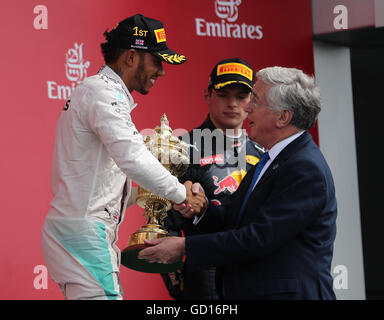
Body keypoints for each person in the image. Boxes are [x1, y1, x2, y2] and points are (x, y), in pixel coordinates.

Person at [41, 13, 204, 300]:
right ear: (131, 57)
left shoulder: (98, 92)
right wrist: (181, 194)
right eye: (157, 61)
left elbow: (105, 185)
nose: (161, 71)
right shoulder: (102, 93)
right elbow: (133, 158)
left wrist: (163, 198)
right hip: (85, 232)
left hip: (80, 229)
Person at [139, 66, 338, 300]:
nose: (247, 107)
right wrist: (201, 208)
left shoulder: (304, 167)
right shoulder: (273, 159)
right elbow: (237, 218)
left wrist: (185, 247)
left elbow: (257, 238)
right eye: (226, 95)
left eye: (255, 100)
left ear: (283, 117)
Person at [162, 58, 264, 300]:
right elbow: (166, 223)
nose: (232, 103)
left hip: (256, 275)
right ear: (207, 95)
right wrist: (179, 285)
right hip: (205, 277)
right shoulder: (181, 149)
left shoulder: (264, 152)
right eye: (223, 94)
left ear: (252, 102)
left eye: (241, 96)